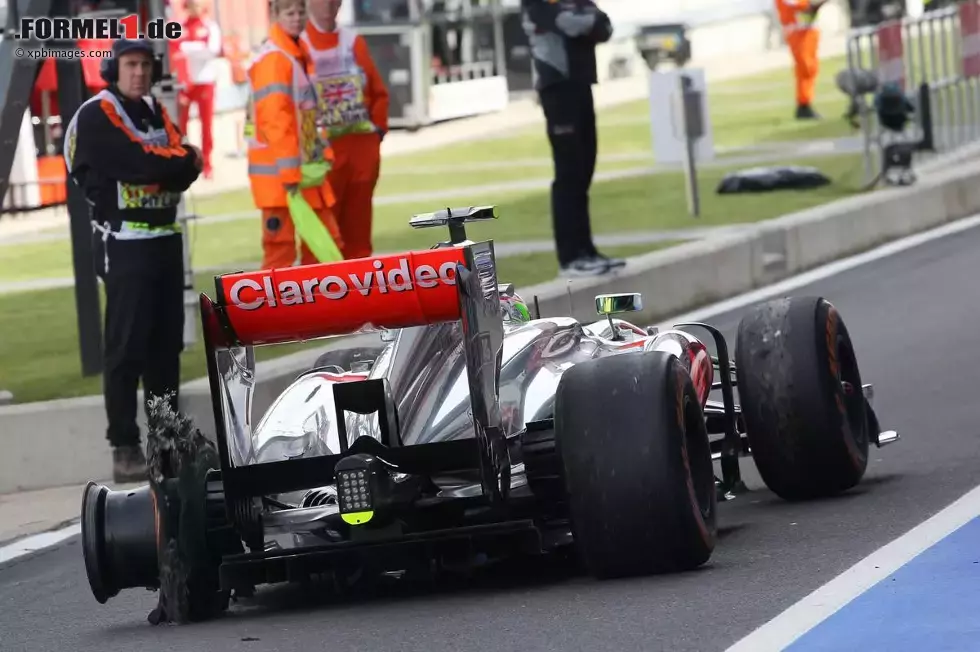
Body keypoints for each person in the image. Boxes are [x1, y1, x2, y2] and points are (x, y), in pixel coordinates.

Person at [62, 39, 203, 482]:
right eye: (130, 64)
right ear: (112, 68)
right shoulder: (97, 114)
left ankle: (164, 443)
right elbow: (139, 163)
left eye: (145, 64)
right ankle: (124, 445)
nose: (139, 72)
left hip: (164, 242)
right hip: (124, 245)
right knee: (125, 348)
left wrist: (177, 162)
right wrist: (176, 163)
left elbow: (189, 162)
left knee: (166, 349)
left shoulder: (155, 113)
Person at [521, 0, 626, 278]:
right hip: (556, 86)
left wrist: (585, 19)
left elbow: (603, 25)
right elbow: (566, 22)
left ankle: (586, 250)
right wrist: (585, 19)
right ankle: (570, 257)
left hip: (581, 84)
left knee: (584, 169)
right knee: (568, 173)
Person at [245, 0, 345, 269]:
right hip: (285, 180)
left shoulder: (293, 53)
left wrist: (321, 155)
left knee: (323, 248)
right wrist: (290, 174)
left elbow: (305, 117)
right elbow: (277, 122)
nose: (297, 17)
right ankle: (276, 312)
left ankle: (322, 308)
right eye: (289, 12)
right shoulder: (277, 59)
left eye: (301, 11)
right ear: (275, 15)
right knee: (282, 253)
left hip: (301, 175)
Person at [303, 0, 389, 260]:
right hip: (320, 161)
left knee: (359, 243)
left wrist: (376, 134)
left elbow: (378, 93)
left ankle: (360, 298)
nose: (328, 5)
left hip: (360, 155)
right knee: (318, 246)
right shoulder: (298, 44)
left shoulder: (353, 42)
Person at [172, 0, 223, 178]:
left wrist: (189, 48)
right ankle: (183, 162)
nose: (195, 7)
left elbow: (213, 50)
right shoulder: (179, 26)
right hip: (185, 81)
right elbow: (174, 48)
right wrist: (197, 48)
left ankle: (207, 163)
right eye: (191, 3)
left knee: (206, 124)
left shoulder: (211, 26)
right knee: (181, 125)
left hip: (205, 80)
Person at [774, 0, 827, 119]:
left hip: (808, 29)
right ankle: (803, 104)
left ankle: (806, 102)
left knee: (811, 68)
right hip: (797, 31)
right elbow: (802, 4)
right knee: (805, 67)